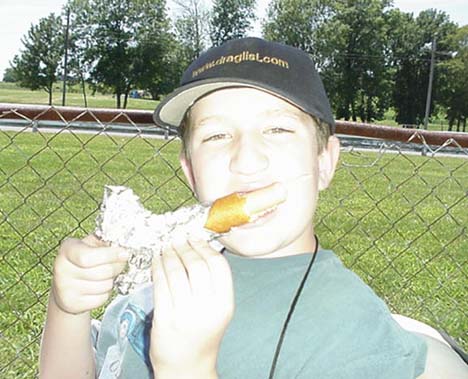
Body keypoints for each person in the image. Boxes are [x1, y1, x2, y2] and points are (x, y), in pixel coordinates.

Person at [40, 37, 433, 379]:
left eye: (278, 130)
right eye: (217, 135)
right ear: (191, 172)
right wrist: (67, 309)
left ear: (324, 163)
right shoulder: (158, 265)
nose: (246, 160)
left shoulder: (355, 340)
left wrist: (188, 371)